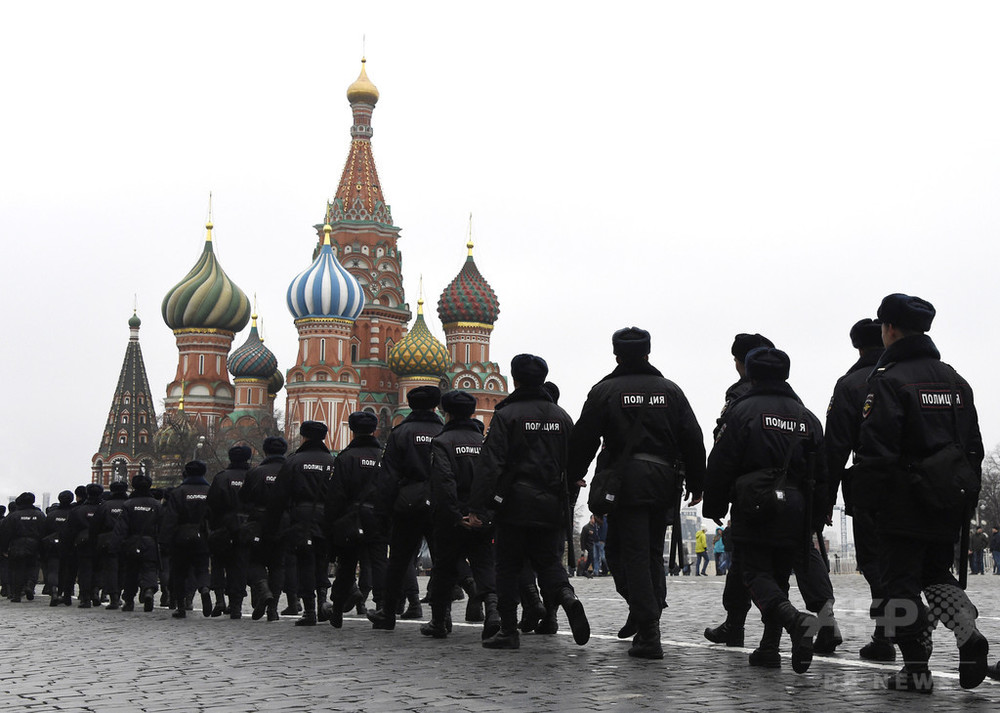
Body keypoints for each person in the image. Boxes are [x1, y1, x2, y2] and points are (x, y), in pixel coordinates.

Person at [853, 293, 989, 692]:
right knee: (936, 572)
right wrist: (963, 494)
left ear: (890, 329)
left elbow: (877, 451)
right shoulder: (955, 380)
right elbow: (974, 447)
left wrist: (868, 501)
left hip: (902, 500)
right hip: (947, 498)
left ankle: (915, 669)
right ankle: (968, 631)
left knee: (899, 584)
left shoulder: (890, 381)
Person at [703, 347, 824, 675]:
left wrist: (713, 504)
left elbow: (721, 462)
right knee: (780, 575)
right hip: (796, 508)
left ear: (751, 374)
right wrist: (816, 516)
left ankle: (795, 621)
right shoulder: (806, 416)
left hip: (754, 503)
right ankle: (769, 648)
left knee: (755, 573)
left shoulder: (742, 411)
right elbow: (822, 471)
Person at [469, 353, 589, 651]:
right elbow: (575, 463)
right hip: (551, 503)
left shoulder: (507, 415)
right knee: (549, 562)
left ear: (515, 378)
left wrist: (478, 508)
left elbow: (490, 463)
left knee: (508, 566)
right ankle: (567, 597)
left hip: (513, 503)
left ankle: (509, 631)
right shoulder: (561, 417)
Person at [824, 317, 892, 661]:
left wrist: (822, 502)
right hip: (932, 489)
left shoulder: (852, 383)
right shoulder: (939, 374)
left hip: (875, 489)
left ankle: (890, 635)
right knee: (928, 567)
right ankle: (965, 628)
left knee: (879, 567)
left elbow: (835, 447)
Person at [420, 390, 499, 640]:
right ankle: (494, 612)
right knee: (484, 563)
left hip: (453, 517)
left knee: (444, 568)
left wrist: (456, 515)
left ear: (447, 413)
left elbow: (444, 482)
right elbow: (492, 478)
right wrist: (482, 513)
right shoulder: (483, 441)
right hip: (481, 516)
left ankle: (439, 621)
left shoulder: (443, 442)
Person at [367, 386, 444, 630]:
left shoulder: (400, 433)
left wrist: (383, 512)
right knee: (442, 561)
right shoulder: (443, 431)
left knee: (399, 561)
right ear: (435, 406)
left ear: (410, 406)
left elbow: (388, 477)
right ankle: (442, 619)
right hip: (439, 503)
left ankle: (387, 614)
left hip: (407, 504)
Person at [270, 420, 336, 626]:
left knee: (305, 562)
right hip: (326, 517)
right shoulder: (332, 461)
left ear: (304, 437)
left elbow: (280, 495)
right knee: (322, 561)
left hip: (301, 517)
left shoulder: (294, 461)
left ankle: (309, 610)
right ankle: (323, 603)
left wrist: (274, 526)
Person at [325, 412, 385, 628]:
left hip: (351, 518)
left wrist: (332, 523)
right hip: (377, 516)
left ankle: (338, 609)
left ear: (352, 430)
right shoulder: (383, 456)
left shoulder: (345, 457)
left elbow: (336, 494)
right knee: (379, 563)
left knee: (347, 565)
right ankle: (382, 609)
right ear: (374, 429)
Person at [240, 436, 289, 621]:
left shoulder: (256, 472)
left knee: (255, 561)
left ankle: (262, 588)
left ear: (266, 451)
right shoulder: (290, 470)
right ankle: (273, 609)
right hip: (283, 522)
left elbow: (243, 498)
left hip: (259, 522)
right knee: (278, 564)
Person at [160, 460, 213, 619]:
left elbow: (170, 518)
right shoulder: (209, 491)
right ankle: (204, 589)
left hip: (181, 537)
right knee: (202, 567)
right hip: (202, 535)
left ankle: (181, 607)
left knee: (180, 572)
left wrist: (164, 541)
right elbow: (213, 515)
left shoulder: (178, 492)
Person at [207, 444, 253, 618]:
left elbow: (212, 504)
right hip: (245, 526)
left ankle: (219, 600)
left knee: (219, 563)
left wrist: (215, 525)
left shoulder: (221, 477)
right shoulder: (252, 475)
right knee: (239, 566)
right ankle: (236, 606)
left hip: (223, 527)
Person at [114, 473, 162, 612]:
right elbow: (162, 525)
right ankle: (148, 590)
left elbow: (121, 527)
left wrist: (117, 544)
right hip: (151, 542)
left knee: (131, 572)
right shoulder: (156, 504)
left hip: (132, 542)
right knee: (150, 569)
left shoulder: (128, 504)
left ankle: (129, 600)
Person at [0, 492, 45, 602]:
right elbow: (44, 532)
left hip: (17, 544)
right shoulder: (39, 515)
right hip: (35, 544)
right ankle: (29, 585)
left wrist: (4, 549)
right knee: (32, 567)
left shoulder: (13, 516)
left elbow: (5, 534)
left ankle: (17, 594)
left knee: (17, 570)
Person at [91, 480, 129, 609]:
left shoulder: (105, 505)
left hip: (107, 541)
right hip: (126, 540)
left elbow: (95, 525)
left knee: (110, 570)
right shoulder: (129, 504)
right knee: (124, 569)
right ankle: (122, 594)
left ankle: (114, 597)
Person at [67, 483, 104, 608]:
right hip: (101, 542)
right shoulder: (104, 508)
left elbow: (70, 530)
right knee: (99, 569)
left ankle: (85, 597)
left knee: (85, 570)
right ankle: (95, 592)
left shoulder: (78, 510)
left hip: (83, 543)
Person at [43, 490, 75, 606]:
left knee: (53, 570)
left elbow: (45, 532)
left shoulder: (51, 515)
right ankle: (63, 594)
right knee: (66, 571)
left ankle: (54, 592)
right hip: (69, 546)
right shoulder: (74, 513)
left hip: (53, 545)